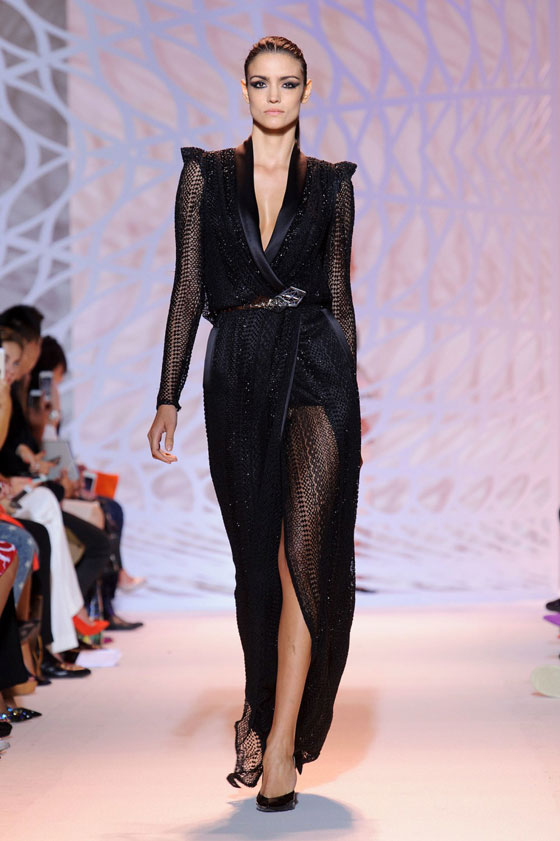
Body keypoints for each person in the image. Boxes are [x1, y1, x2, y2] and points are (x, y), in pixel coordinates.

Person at [147, 35, 362, 812]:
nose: (274, 96)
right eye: (261, 83)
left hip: (316, 364)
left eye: (288, 83)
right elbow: (187, 288)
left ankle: (279, 747)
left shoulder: (331, 185)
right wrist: (168, 394)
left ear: (306, 91)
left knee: (304, 551)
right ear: (244, 90)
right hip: (237, 367)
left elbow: (339, 295)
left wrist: (352, 397)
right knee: (256, 565)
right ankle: (265, 709)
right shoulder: (205, 176)